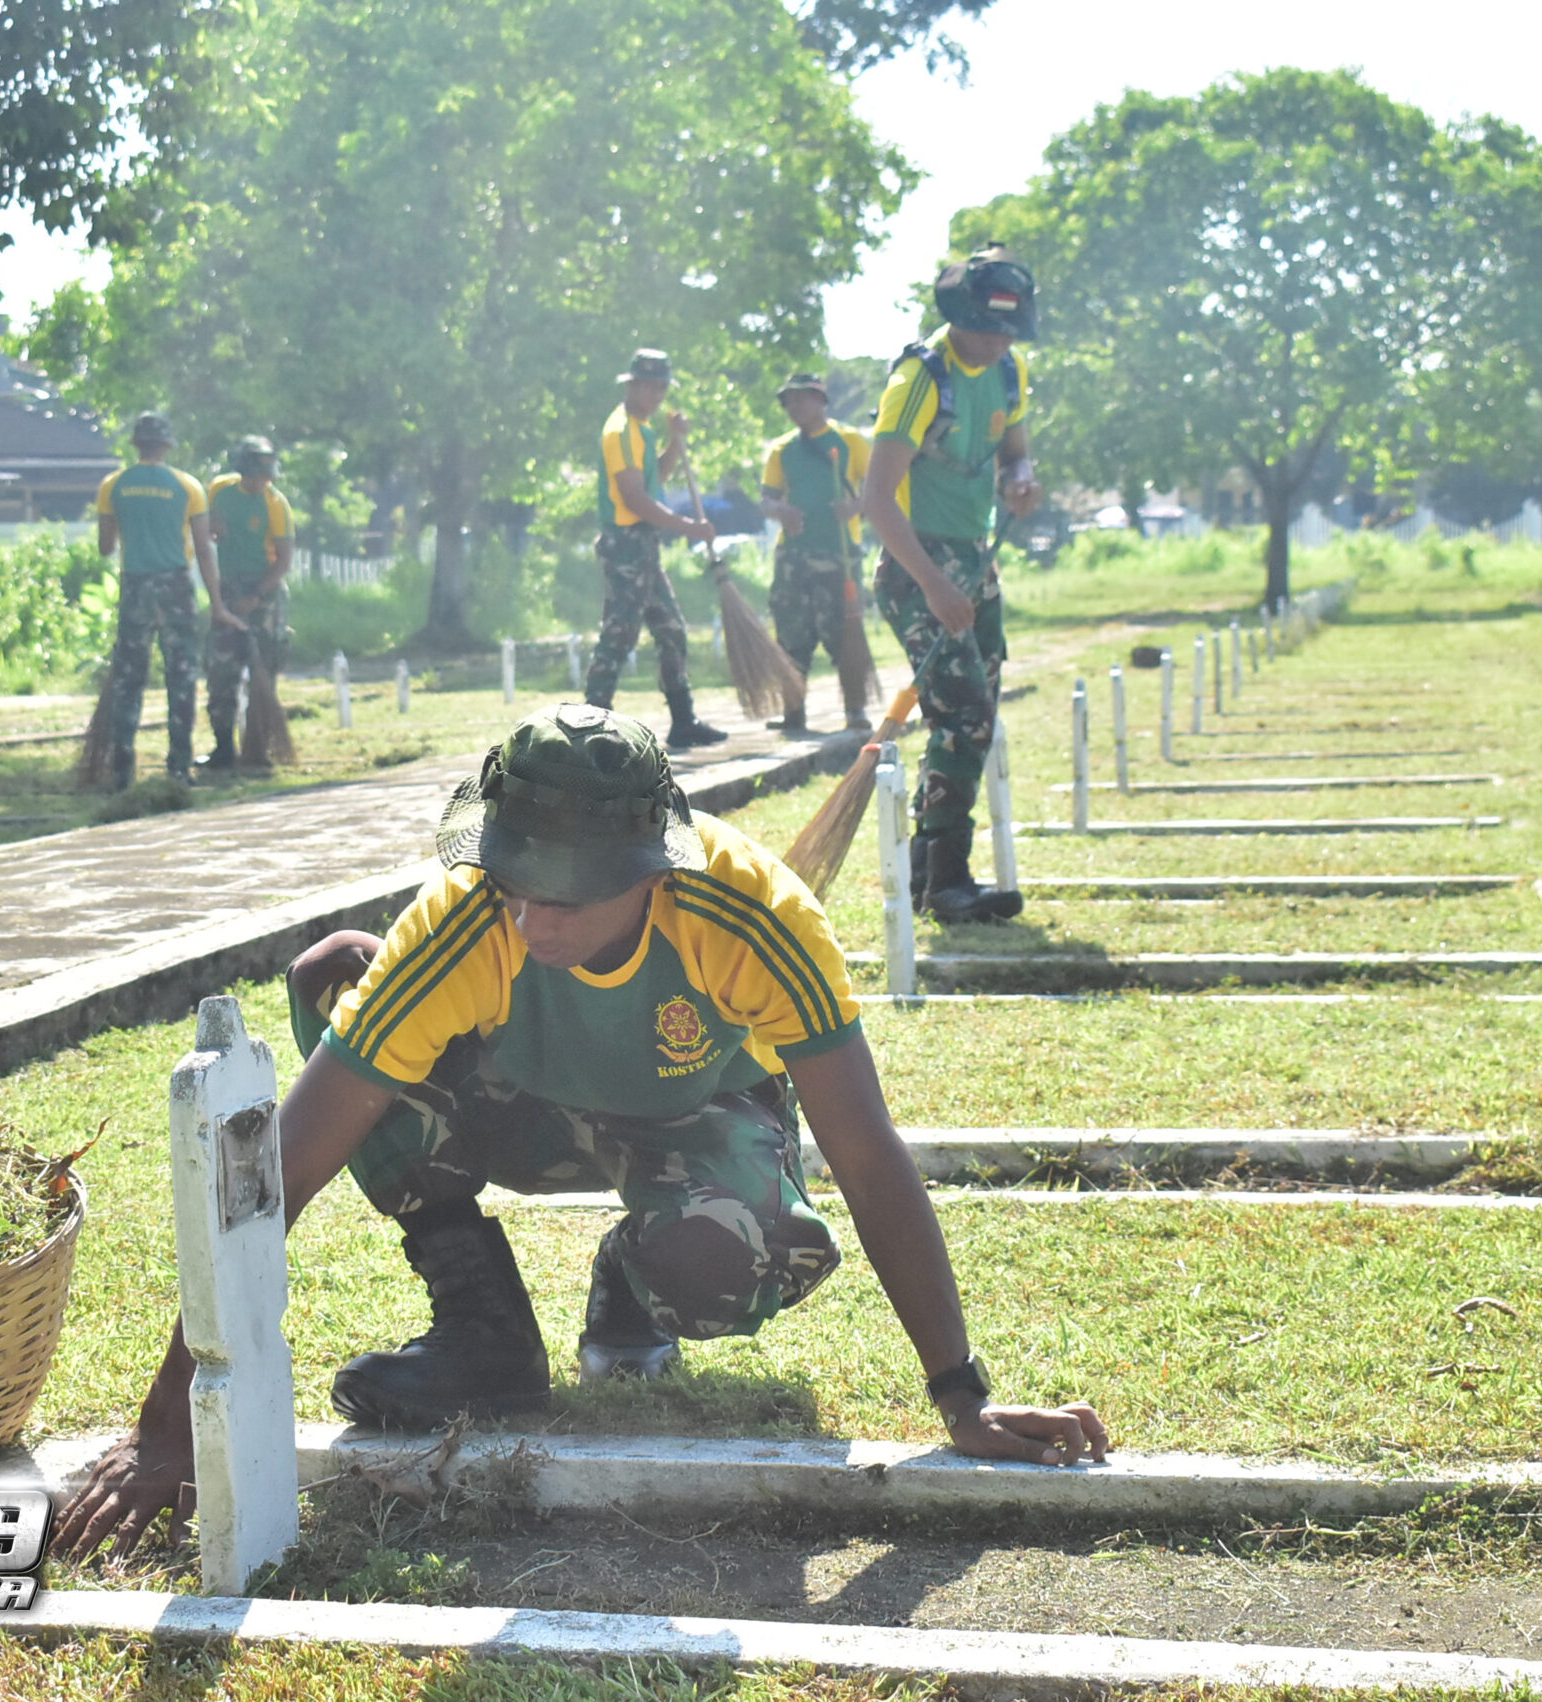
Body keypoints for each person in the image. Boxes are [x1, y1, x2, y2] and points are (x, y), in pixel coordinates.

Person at [53, 703, 1109, 1560]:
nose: (531, 918)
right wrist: (171, 1427)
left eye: (565, 895)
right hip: (526, 1110)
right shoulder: (468, 916)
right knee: (339, 976)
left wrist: (961, 1395)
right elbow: (284, 1160)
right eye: (515, 880)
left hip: (696, 1118)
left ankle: (633, 1279)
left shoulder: (756, 918)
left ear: (652, 868)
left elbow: (868, 1156)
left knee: (735, 1256)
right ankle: (483, 1328)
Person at [861, 248, 1044, 925]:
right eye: (988, 329)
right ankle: (948, 880)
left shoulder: (1009, 371)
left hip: (975, 558)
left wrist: (1020, 480)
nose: (998, 342)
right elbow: (876, 499)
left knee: (969, 718)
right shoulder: (919, 379)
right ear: (960, 314)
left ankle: (928, 875)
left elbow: (1015, 452)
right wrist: (934, 586)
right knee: (965, 715)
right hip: (916, 565)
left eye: (1009, 331)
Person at [583, 350, 726, 750]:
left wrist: (675, 443)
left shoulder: (642, 430)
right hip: (625, 545)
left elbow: (655, 479)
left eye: (661, 388)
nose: (656, 395)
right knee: (619, 633)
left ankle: (683, 720)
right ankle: (590, 725)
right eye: (649, 386)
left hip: (644, 544)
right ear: (632, 385)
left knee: (671, 629)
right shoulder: (619, 431)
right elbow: (635, 499)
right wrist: (689, 527)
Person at [94, 414, 218, 789]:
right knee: (181, 676)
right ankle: (178, 767)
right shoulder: (188, 486)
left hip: (135, 586)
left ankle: (122, 771)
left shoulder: (113, 485)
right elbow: (203, 548)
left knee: (129, 679)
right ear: (166, 446)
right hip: (176, 586)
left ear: (136, 445)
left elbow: (105, 547)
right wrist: (218, 601)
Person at [759, 372, 874, 731]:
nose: (794, 406)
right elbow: (766, 499)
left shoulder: (851, 441)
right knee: (791, 634)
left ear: (820, 400)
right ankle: (793, 712)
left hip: (840, 554)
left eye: (801, 398)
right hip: (792, 556)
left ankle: (855, 709)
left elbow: (878, 487)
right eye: (788, 401)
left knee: (844, 632)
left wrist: (855, 507)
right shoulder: (782, 449)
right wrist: (782, 512)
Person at [201, 435, 296, 770]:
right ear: (242, 471)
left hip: (265, 590)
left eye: (266, 476)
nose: (261, 482)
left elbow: (283, 561)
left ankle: (259, 749)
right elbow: (206, 525)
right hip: (228, 588)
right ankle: (223, 748)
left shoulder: (276, 504)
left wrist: (255, 596)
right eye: (255, 476)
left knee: (263, 674)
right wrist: (212, 525)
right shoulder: (219, 490)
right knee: (220, 671)